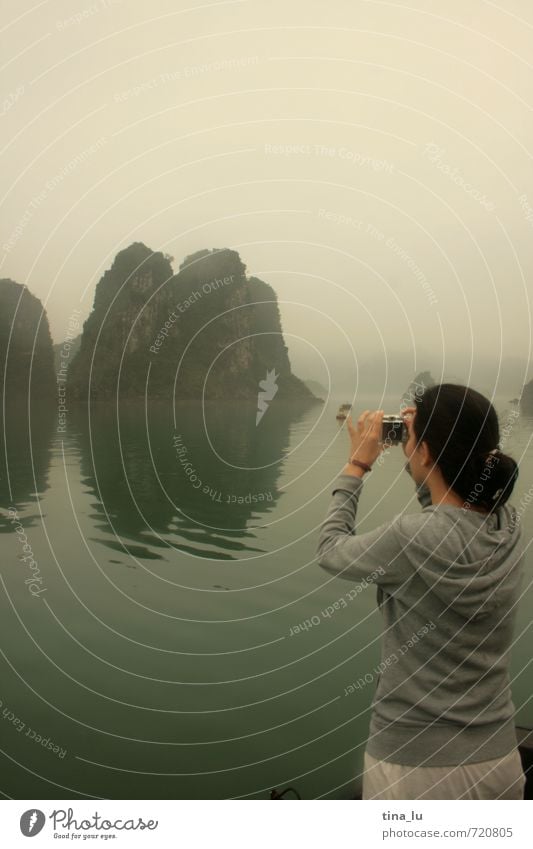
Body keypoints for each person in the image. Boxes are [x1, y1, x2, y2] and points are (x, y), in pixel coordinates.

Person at [316, 383, 526, 799]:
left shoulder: (409, 540)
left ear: (426, 452)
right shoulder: (509, 527)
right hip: (499, 760)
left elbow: (330, 550)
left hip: (414, 767)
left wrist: (358, 465)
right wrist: (425, 454)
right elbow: (451, 512)